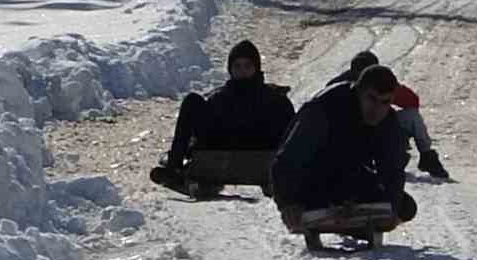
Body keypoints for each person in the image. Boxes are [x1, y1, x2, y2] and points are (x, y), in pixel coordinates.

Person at [269, 64, 416, 227]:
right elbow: (289, 158)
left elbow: (392, 169)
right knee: (310, 197)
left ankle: (351, 213)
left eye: (385, 102)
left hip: (348, 177)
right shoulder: (325, 108)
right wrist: (287, 203)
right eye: (371, 99)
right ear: (359, 92)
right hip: (311, 176)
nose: (377, 109)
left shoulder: (388, 121)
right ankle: (320, 209)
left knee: (405, 206)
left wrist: (392, 208)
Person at [154, 40, 294, 179]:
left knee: (283, 108)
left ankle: (289, 175)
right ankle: (174, 168)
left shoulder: (274, 98)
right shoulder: (221, 97)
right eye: (237, 66)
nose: (242, 71)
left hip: (260, 154)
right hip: (221, 153)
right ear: (230, 69)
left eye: (247, 66)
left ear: (256, 68)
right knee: (192, 101)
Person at [328, 51, 449, 181]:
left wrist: (393, 89)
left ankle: (426, 157)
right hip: (350, 136)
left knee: (412, 116)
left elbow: (412, 101)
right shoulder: (338, 87)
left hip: (380, 127)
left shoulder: (381, 81)